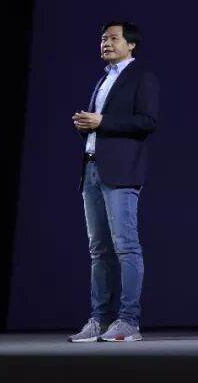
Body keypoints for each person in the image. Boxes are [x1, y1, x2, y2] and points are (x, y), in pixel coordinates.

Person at [68, 21, 159, 342]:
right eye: (103, 39)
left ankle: (129, 321)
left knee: (126, 247)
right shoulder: (103, 79)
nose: (105, 43)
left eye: (113, 38)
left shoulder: (141, 77)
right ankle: (98, 320)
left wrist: (102, 121)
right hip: (92, 169)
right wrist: (86, 126)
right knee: (98, 251)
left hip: (120, 172)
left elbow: (147, 122)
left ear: (130, 44)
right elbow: (102, 126)